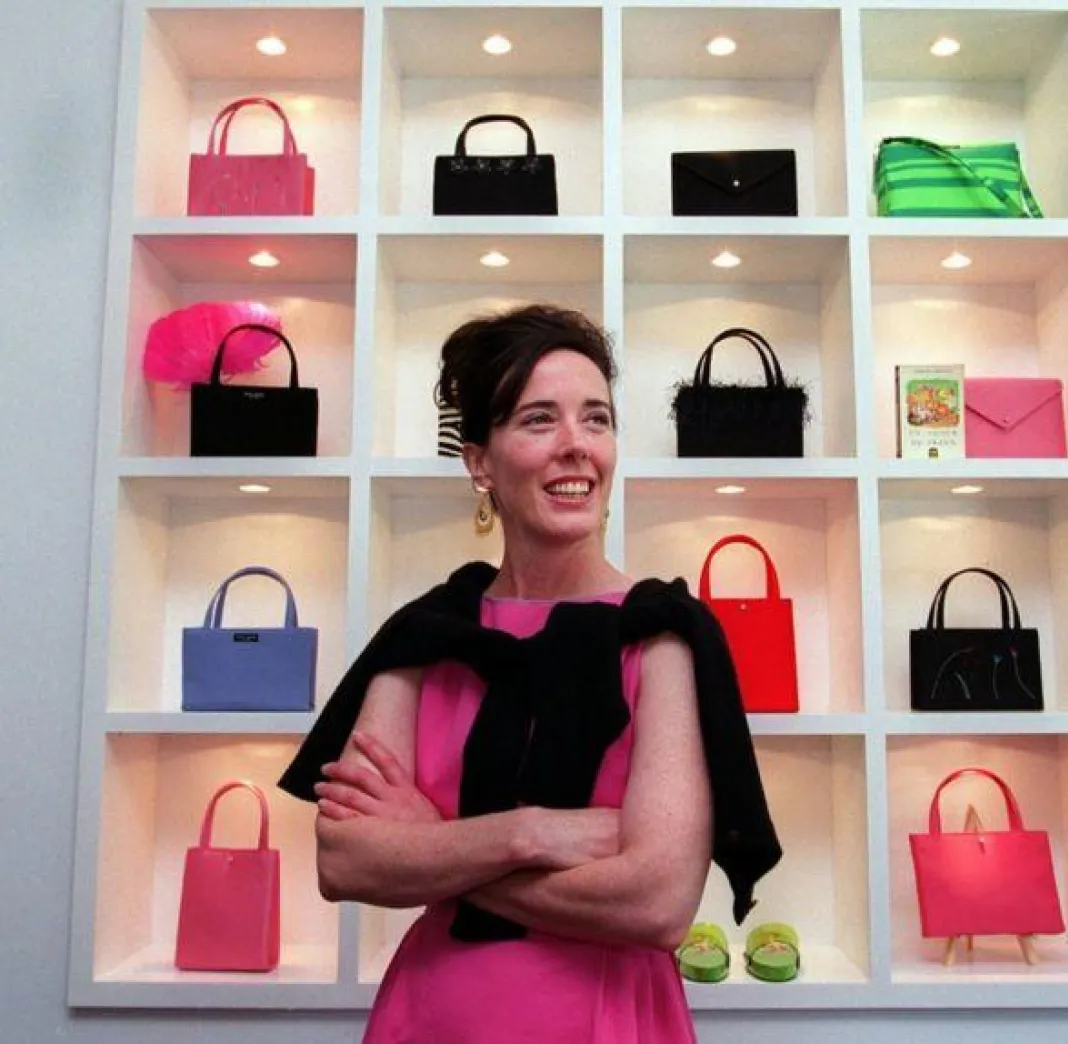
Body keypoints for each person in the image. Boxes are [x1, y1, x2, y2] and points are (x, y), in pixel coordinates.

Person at [277, 304, 780, 1043]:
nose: (576, 445)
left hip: (606, 1019)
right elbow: (347, 861)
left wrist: (436, 844)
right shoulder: (427, 632)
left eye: (597, 419)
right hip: (434, 1017)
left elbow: (658, 903)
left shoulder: (662, 635)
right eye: (539, 419)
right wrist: (528, 833)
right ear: (480, 462)